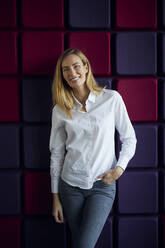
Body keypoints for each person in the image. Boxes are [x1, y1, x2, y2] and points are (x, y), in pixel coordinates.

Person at [49, 48, 137, 248]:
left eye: (76, 66)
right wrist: (55, 196)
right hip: (69, 186)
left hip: (102, 186)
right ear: (61, 75)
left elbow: (130, 138)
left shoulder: (111, 99)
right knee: (80, 243)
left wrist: (118, 170)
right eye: (65, 70)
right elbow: (56, 154)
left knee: (83, 245)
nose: (72, 73)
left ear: (86, 68)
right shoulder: (59, 110)